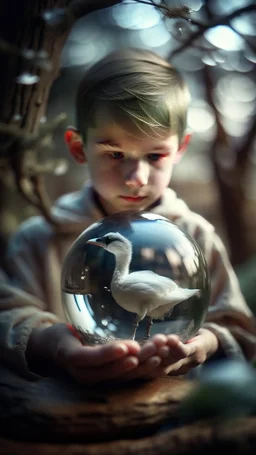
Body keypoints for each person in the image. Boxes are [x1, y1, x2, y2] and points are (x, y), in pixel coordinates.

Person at [1, 48, 255, 384]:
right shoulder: (38, 238)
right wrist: (53, 344)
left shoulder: (195, 235)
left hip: (171, 413)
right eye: (115, 153)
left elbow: (237, 328)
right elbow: (8, 316)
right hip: (63, 414)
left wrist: (202, 346)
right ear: (78, 148)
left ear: (179, 149)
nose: (136, 177)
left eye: (154, 155)